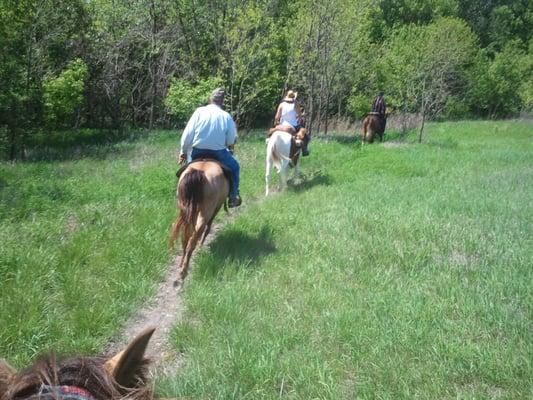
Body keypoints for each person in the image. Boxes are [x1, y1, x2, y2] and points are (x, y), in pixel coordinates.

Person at [179, 88, 242, 208]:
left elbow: (187, 134)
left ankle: (181, 195)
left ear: (210, 99)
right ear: (222, 101)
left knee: (185, 171)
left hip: (197, 152)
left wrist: (183, 151)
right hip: (218, 153)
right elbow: (230, 140)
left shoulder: (199, 112)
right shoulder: (226, 116)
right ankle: (233, 196)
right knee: (235, 167)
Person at [273, 90, 310, 156]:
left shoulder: (281, 104)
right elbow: (299, 115)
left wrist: (277, 122)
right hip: (293, 125)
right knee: (305, 134)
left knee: (272, 131)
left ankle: (269, 141)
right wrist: (300, 119)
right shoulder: (295, 104)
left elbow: (276, 117)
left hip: (282, 125)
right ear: (293, 97)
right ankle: (305, 150)